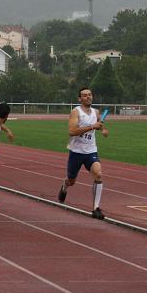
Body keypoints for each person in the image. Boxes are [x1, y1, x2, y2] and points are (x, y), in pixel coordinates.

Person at [57, 87, 109, 219]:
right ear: (79, 98)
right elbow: (72, 131)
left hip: (91, 151)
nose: (88, 97)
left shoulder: (96, 112)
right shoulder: (76, 112)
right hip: (76, 152)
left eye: (90, 95)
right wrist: (92, 127)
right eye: (85, 95)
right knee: (71, 181)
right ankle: (64, 185)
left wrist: (103, 130)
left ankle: (96, 208)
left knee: (98, 174)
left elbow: (99, 124)